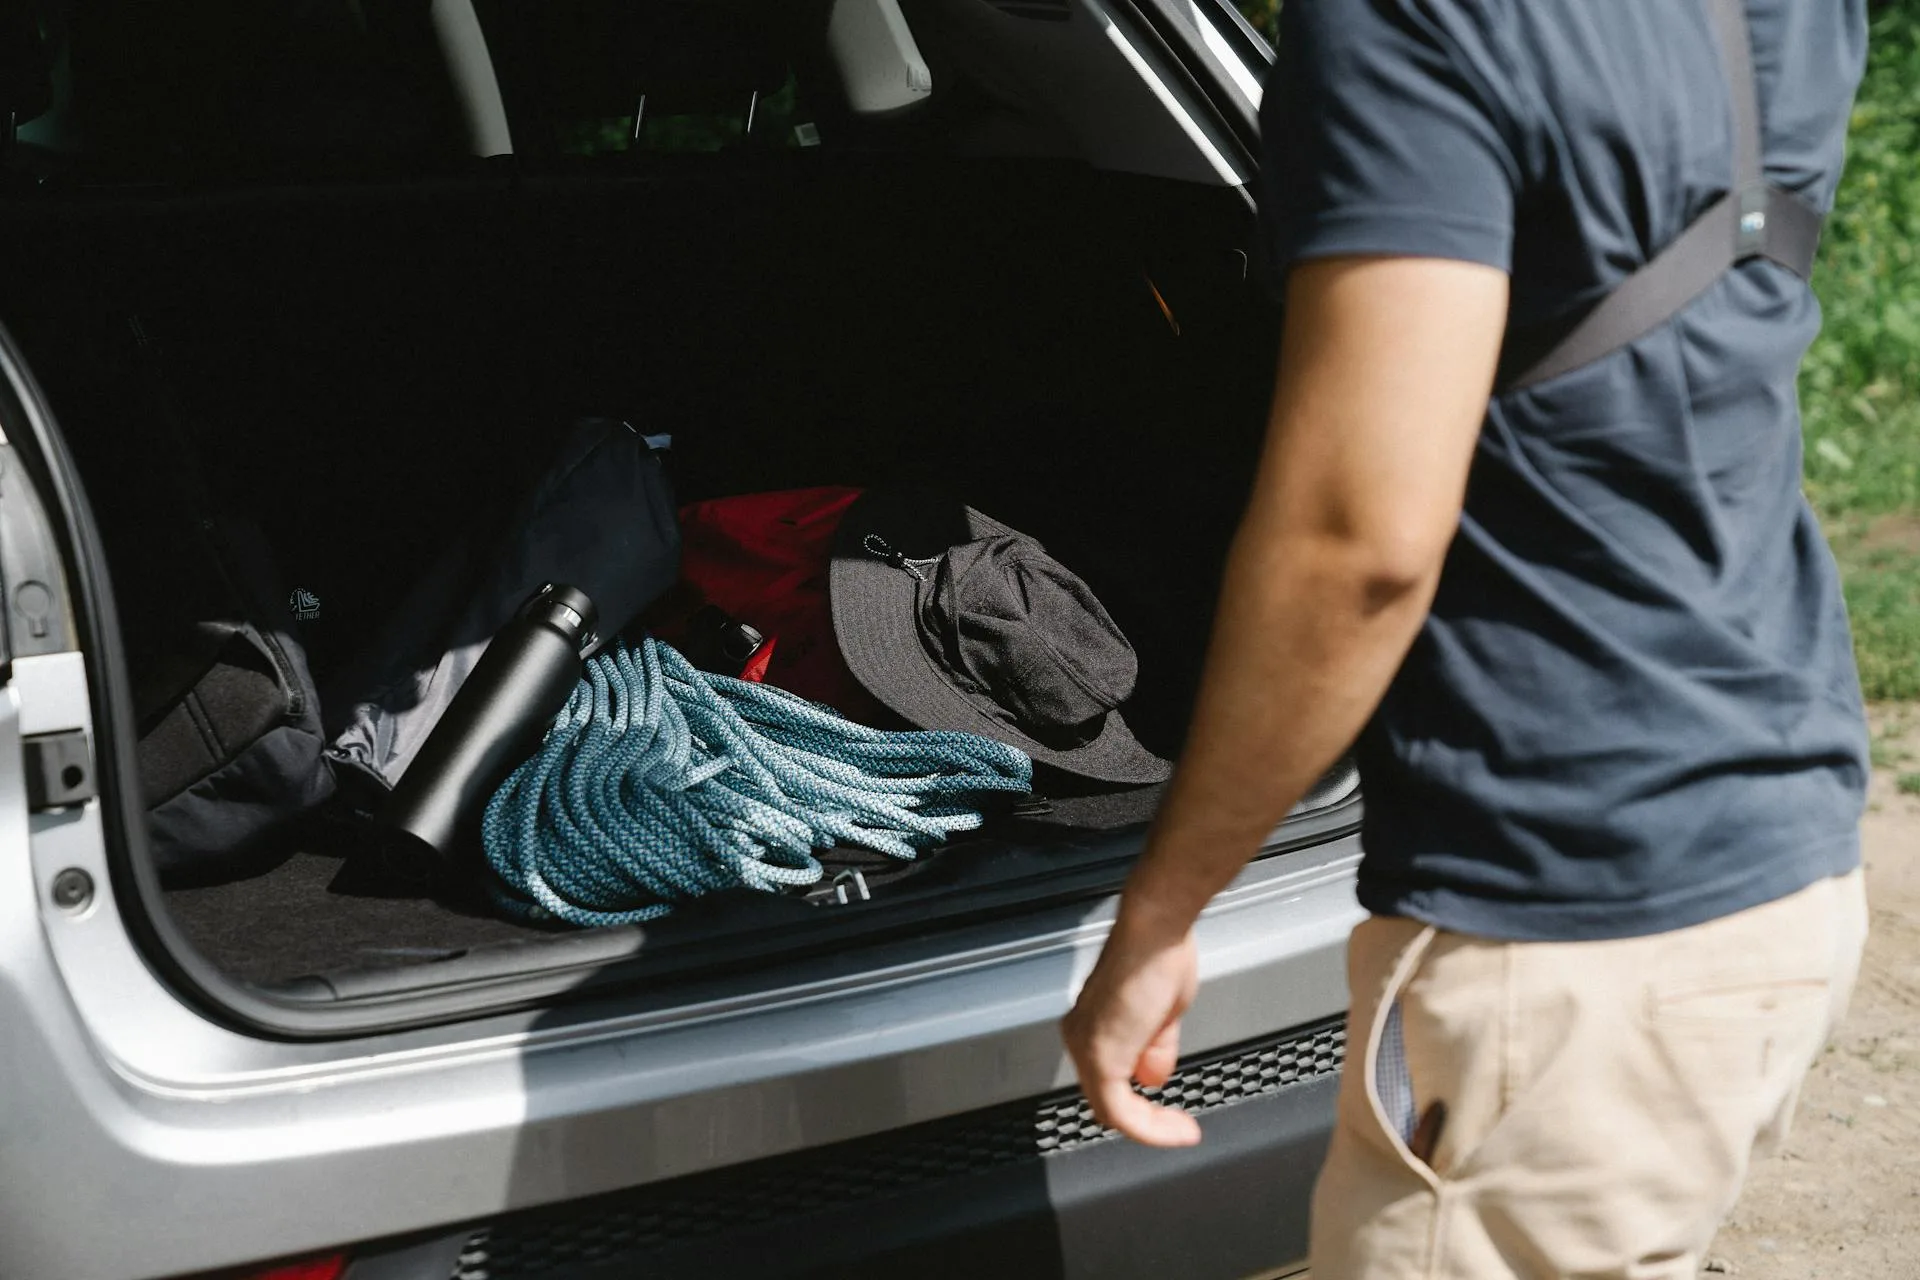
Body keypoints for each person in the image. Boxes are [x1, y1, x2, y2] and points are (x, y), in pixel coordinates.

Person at [1059, 0, 1872, 1274]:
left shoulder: (1407, 19)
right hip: (1785, 848)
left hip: (1564, 924)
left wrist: (1160, 913)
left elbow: (1360, 545)